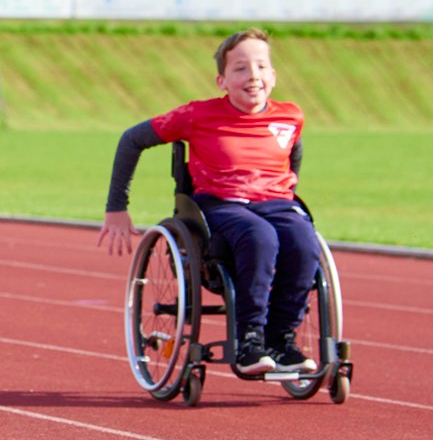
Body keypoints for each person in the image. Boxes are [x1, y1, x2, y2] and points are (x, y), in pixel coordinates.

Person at [98, 28, 320, 376]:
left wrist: (285, 191)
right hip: (221, 205)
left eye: (261, 67)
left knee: (305, 242)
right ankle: (249, 341)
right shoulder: (197, 115)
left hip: (275, 203)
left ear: (273, 76)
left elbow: (293, 151)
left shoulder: (290, 116)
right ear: (222, 80)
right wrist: (116, 207)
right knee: (260, 236)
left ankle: (282, 338)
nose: (253, 76)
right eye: (241, 69)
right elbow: (131, 139)